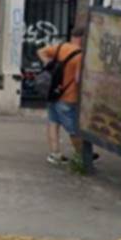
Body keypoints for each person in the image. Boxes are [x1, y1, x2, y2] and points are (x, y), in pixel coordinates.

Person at [37, 26, 86, 165]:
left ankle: (55, 154)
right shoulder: (80, 56)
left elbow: (40, 51)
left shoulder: (61, 47)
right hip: (68, 96)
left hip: (53, 92)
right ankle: (81, 156)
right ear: (82, 39)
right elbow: (78, 79)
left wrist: (48, 63)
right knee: (73, 128)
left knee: (53, 122)